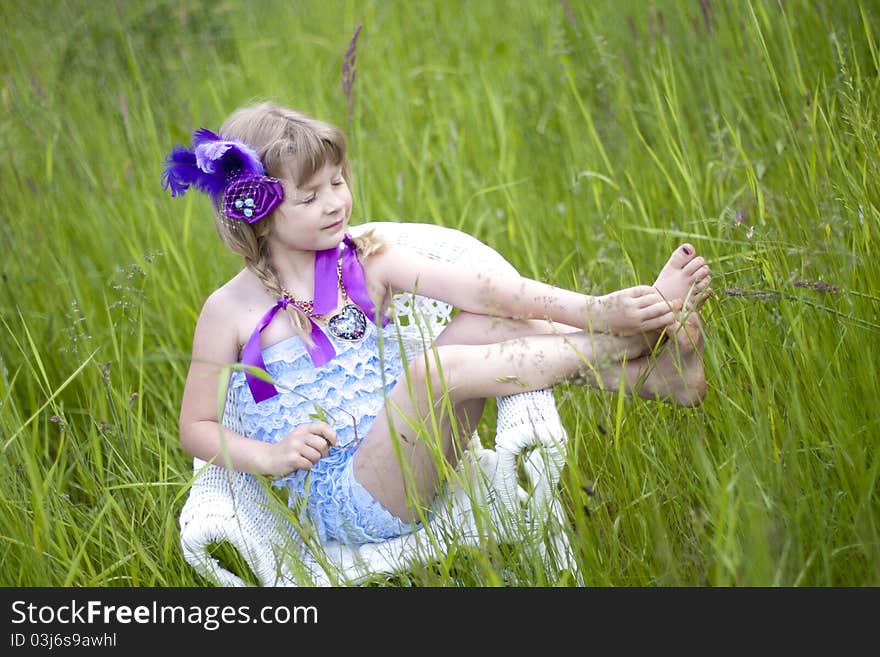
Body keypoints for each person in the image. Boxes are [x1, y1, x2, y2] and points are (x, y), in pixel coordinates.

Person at [165, 102, 711, 545]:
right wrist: (271, 455)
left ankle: (651, 372)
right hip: (348, 502)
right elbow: (197, 427)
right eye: (310, 196)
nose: (336, 203)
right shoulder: (228, 311)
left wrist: (593, 306)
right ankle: (625, 347)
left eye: (338, 181)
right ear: (256, 212)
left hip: (417, 450)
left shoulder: (363, 259)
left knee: (485, 319)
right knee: (433, 371)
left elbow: (484, 288)